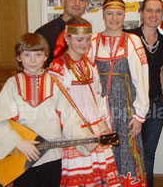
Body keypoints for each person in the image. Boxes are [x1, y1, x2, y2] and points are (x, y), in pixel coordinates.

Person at [0, 33, 88, 187]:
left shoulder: (55, 83)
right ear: (19, 57)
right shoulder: (12, 84)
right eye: (27, 55)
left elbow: (69, 119)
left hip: (51, 156)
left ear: (46, 56)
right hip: (23, 157)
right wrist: (17, 141)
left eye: (38, 54)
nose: (33, 60)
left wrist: (84, 140)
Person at [48, 18, 121, 187]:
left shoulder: (90, 65)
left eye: (88, 39)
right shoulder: (58, 67)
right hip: (74, 131)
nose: (85, 44)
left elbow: (98, 98)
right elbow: (57, 107)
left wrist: (104, 124)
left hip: (95, 128)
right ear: (67, 38)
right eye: (80, 39)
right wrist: (77, 135)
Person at [86, 0, 149, 186]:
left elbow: (142, 79)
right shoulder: (93, 40)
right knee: (102, 155)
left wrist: (139, 116)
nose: (114, 18)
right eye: (110, 14)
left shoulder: (133, 40)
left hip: (126, 110)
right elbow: (87, 79)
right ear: (103, 15)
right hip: (100, 111)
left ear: (124, 15)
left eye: (119, 14)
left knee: (128, 153)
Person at [125, 0, 163, 187]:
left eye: (158, 11)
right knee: (130, 150)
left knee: (149, 152)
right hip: (132, 104)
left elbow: (159, 69)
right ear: (142, 12)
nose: (154, 15)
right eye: (149, 10)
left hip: (156, 103)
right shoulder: (128, 37)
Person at [36, 0, 89, 67]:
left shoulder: (88, 34)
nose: (77, 3)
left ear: (86, 4)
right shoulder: (44, 33)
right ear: (63, 1)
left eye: (81, 0)